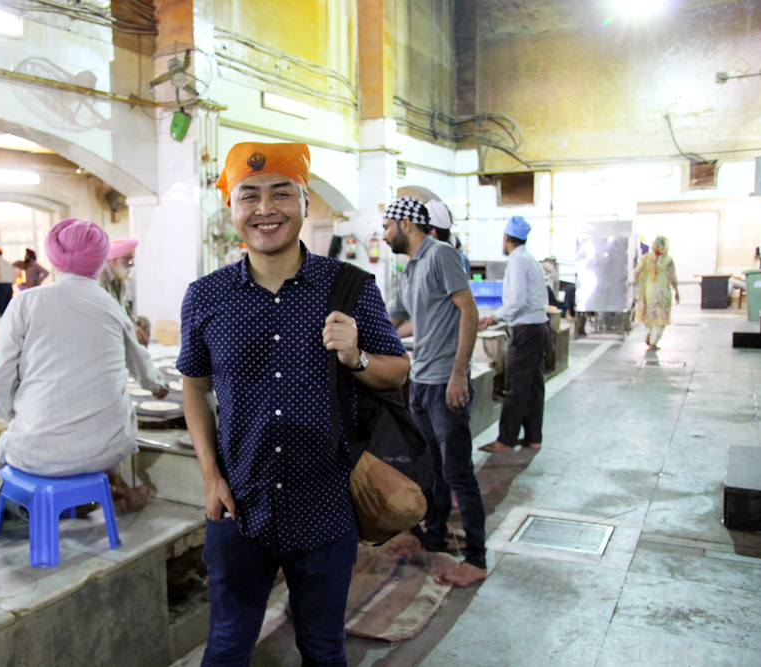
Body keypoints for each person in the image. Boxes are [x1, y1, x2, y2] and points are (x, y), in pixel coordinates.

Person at [178, 141, 409, 667]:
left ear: (304, 202)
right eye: (250, 196)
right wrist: (211, 477)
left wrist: (355, 357)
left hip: (326, 499)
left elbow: (397, 371)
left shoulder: (350, 287)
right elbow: (194, 385)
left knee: (324, 648)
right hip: (240, 501)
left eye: (282, 193)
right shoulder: (206, 296)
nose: (266, 209)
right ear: (232, 209)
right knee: (228, 645)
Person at [0, 219, 167, 509]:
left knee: (10, 447)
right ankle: (110, 492)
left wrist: (9, 415)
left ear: (55, 258)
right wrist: (157, 387)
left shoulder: (26, 302)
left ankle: (48, 507)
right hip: (108, 451)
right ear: (99, 260)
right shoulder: (111, 306)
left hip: (35, 453)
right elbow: (143, 368)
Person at [384, 196, 487, 588]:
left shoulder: (441, 254)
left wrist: (459, 373)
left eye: (387, 224)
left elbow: (468, 310)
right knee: (432, 469)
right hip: (421, 382)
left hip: (446, 381)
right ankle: (435, 535)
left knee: (459, 471)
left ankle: (476, 557)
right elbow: (396, 320)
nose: (383, 233)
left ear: (406, 224)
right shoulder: (409, 270)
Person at [478, 216, 549, 452]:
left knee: (516, 386)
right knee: (533, 386)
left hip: (525, 330)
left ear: (506, 237)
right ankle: (533, 437)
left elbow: (516, 300)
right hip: (538, 328)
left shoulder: (518, 261)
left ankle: (506, 440)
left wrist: (494, 318)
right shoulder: (530, 259)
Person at [99, 237, 150, 345]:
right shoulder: (100, 278)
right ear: (113, 260)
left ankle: (138, 360)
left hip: (119, 320)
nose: (131, 264)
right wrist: (130, 326)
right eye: (128, 259)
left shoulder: (119, 277)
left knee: (143, 323)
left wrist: (132, 321)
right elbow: (107, 312)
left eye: (132, 260)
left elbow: (124, 308)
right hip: (106, 324)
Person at [634, 235, 679, 350]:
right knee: (662, 318)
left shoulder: (646, 258)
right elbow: (672, 277)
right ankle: (654, 342)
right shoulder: (668, 260)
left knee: (650, 315)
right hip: (663, 292)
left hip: (649, 292)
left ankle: (649, 333)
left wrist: (636, 286)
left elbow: (637, 272)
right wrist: (676, 291)